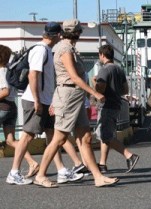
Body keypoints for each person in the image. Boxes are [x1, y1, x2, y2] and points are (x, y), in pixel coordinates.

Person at [34, 19, 118, 188]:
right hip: (68, 96)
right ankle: (41, 175)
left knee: (85, 137)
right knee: (59, 138)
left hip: (75, 96)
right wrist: (94, 93)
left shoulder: (68, 47)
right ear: (78, 32)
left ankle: (97, 177)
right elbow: (73, 77)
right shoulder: (65, 49)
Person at [6, 22, 85, 186]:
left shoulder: (47, 50)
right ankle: (14, 172)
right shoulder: (40, 50)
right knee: (27, 135)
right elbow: (33, 76)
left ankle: (62, 171)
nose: (62, 37)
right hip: (35, 100)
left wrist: (50, 100)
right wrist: (37, 100)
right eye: (61, 34)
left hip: (45, 100)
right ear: (57, 35)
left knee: (52, 135)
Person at [93, 44, 139, 173]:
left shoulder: (104, 70)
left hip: (106, 105)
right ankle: (102, 164)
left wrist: (94, 82)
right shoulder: (119, 69)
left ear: (102, 55)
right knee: (106, 134)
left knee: (104, 135)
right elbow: (125, 90)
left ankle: (129, 155)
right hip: (116, 104)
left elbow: (100, 89)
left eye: (99, 55)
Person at [0, 44, 40, 178]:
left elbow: (5, 91)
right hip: (12, 107)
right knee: (10, 141)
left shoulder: (1, 71)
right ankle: (32, 163)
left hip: (2, 106)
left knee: (11, 140)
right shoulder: (10, 71)